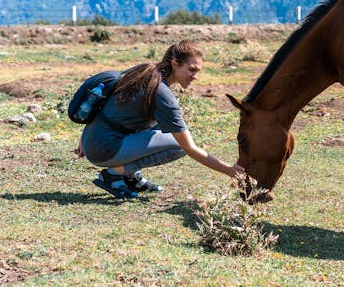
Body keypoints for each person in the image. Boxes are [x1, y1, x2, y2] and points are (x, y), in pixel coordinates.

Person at [75, 40, 244, 198]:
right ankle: (115, 174)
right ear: (175, 64)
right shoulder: (162, 93)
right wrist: (229, 170)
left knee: (163, 126)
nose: (195, 76)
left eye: (197, 71)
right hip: (104, 149)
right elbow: (190, 148)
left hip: (94, 139)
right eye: (191, 70)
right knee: (179, 145)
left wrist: (86, 136)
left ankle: (130, 177)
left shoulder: (144, 70)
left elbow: (104, 104)